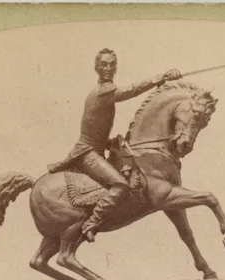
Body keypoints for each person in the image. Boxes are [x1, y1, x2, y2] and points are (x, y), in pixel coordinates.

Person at [49, 48, 182, 242]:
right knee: (120, 185)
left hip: (97, 148)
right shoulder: (103, 91)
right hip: (88, 153)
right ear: (97, 68)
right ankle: (91, 223)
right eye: (104, 64)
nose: (108, 68)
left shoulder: (105, 90)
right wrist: (160, 77)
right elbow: (132, 90)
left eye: (112, 64)